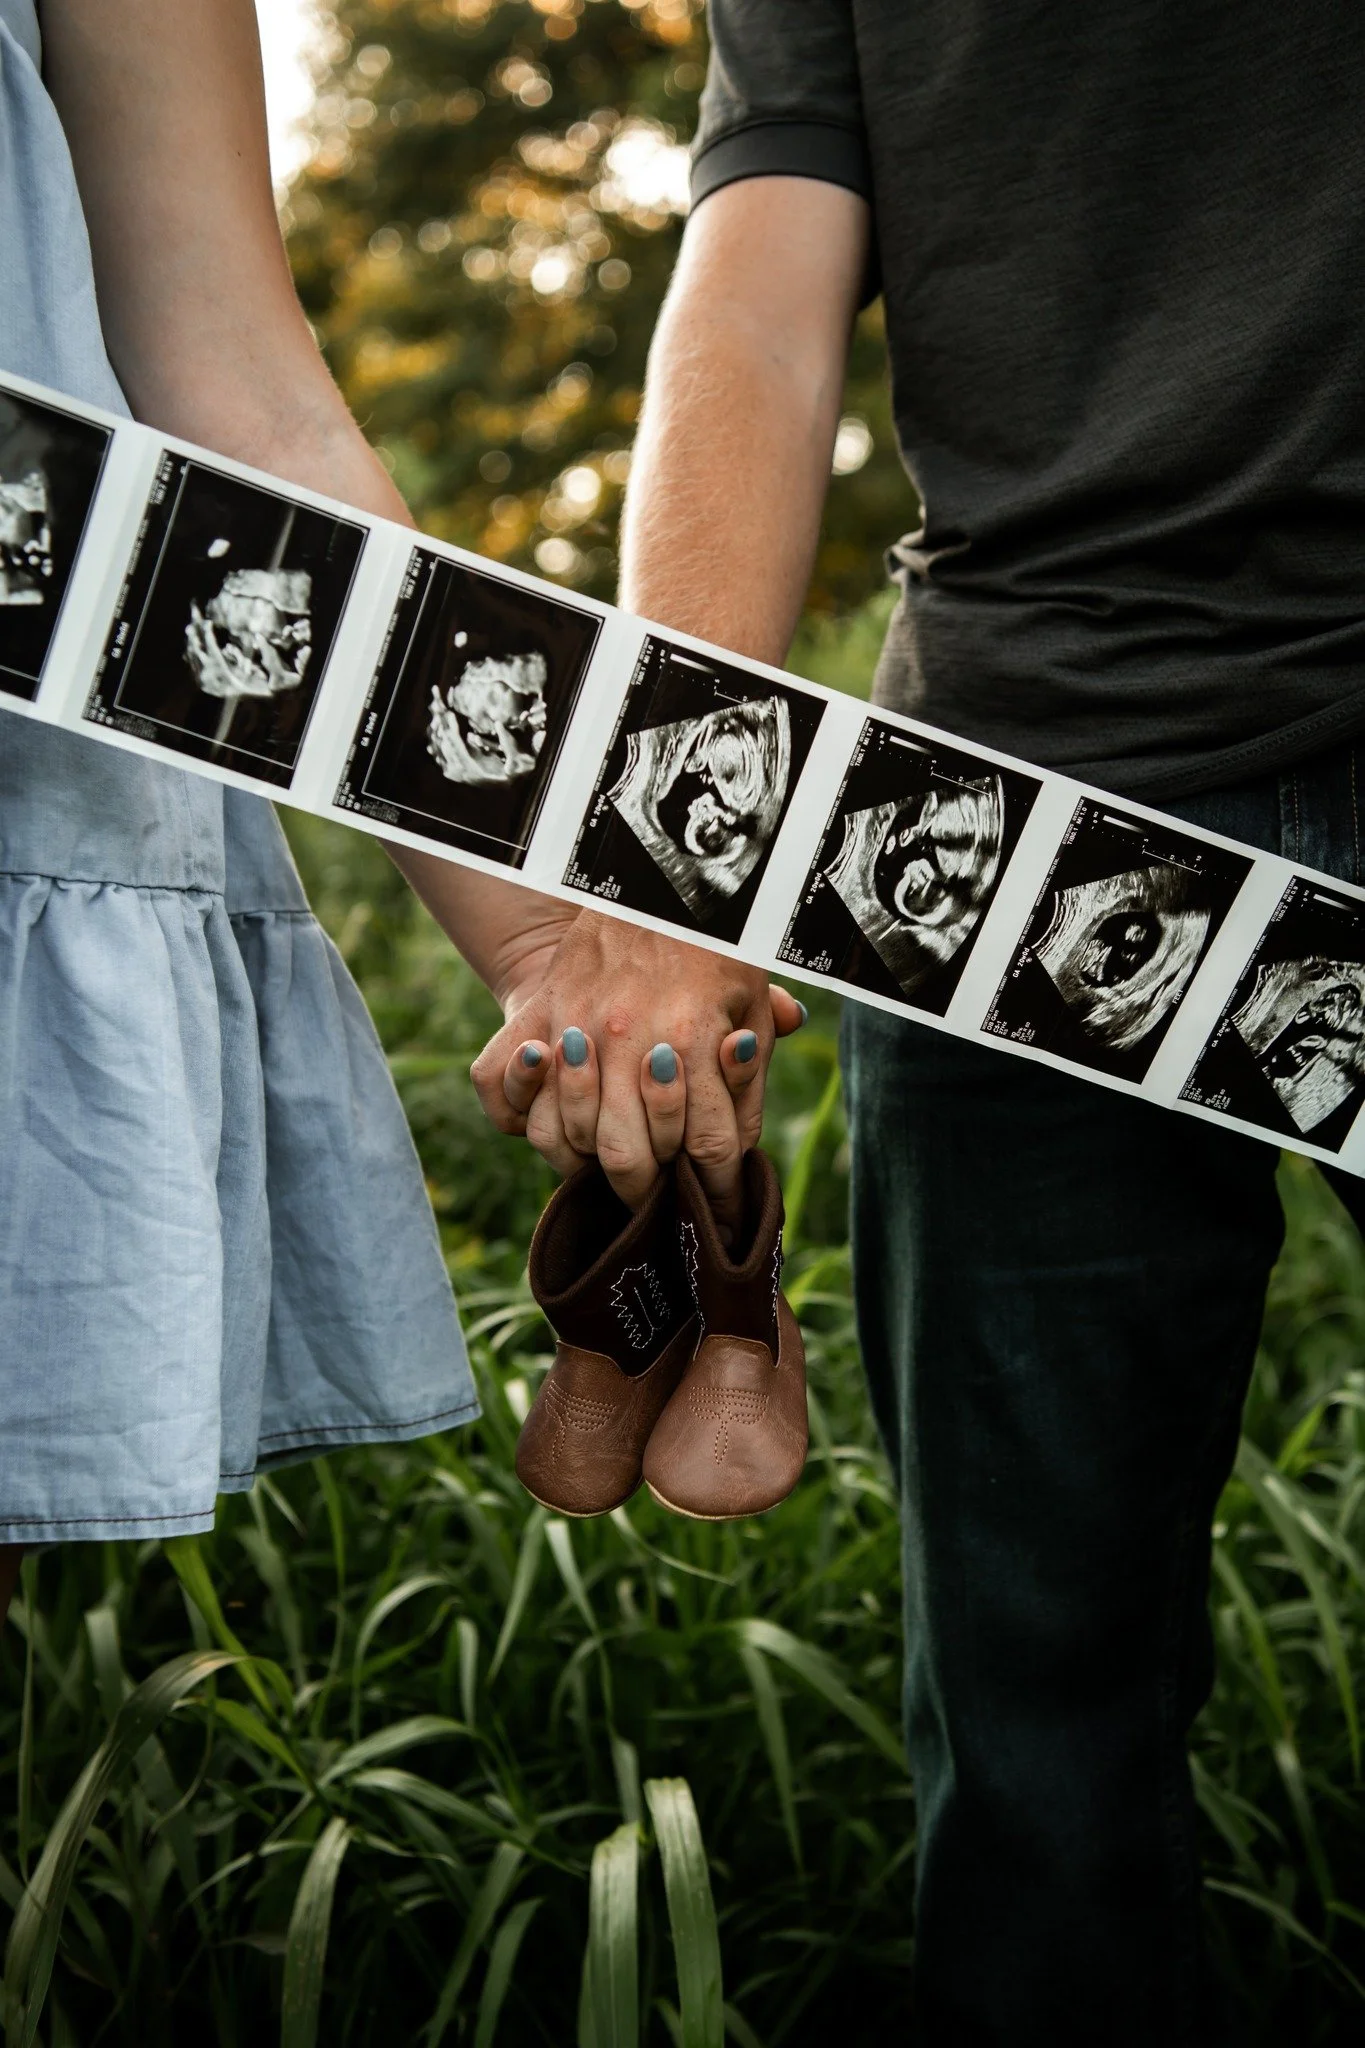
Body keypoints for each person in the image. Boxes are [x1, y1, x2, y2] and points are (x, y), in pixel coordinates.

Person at [480, 4, 1365, 2042]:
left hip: (1018, 759)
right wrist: (674, 869)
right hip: (1010, 818)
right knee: (1037, 1726)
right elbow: (761, 303)